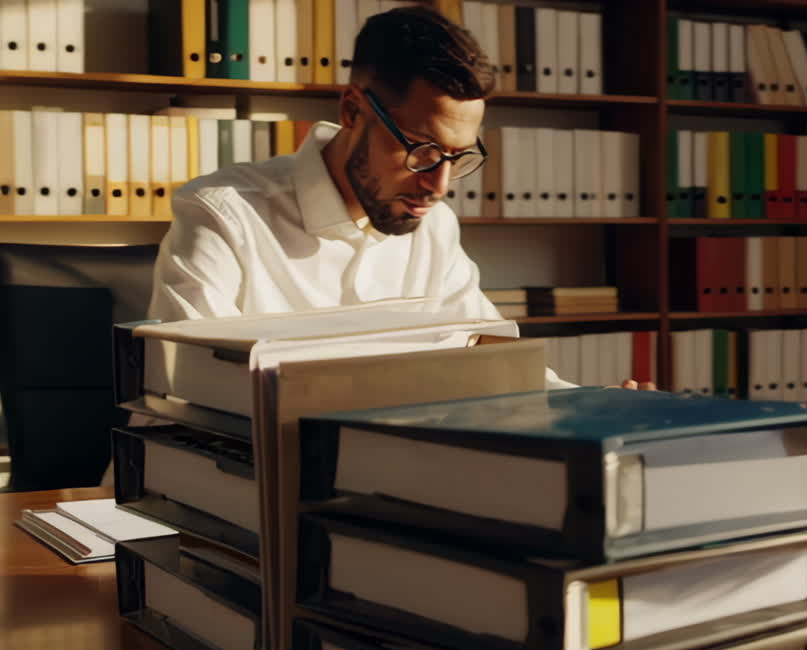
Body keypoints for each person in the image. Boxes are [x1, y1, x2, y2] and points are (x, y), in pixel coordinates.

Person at [147, 6, 652, 390]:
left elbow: (489, 363)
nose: (440, 185)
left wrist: (583, 406)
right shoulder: (221, 214)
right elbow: (194, 395)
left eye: (458, 156)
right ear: (352, 110)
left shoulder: (433, 226)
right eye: (422, 150)